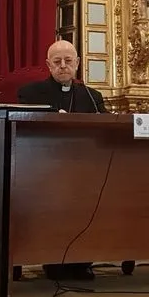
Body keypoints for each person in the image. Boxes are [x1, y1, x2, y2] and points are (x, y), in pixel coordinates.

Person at [17, 39, 107, 281]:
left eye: (68, 61)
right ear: (48, 65)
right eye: (57, 62)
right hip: (43, 167)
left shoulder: (91, 95)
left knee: (93, 196)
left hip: (84, 166)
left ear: (77, 63)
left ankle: (82, 260)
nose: (63, 66)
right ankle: (53, 260)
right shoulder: (31, 92)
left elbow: (106, 126)